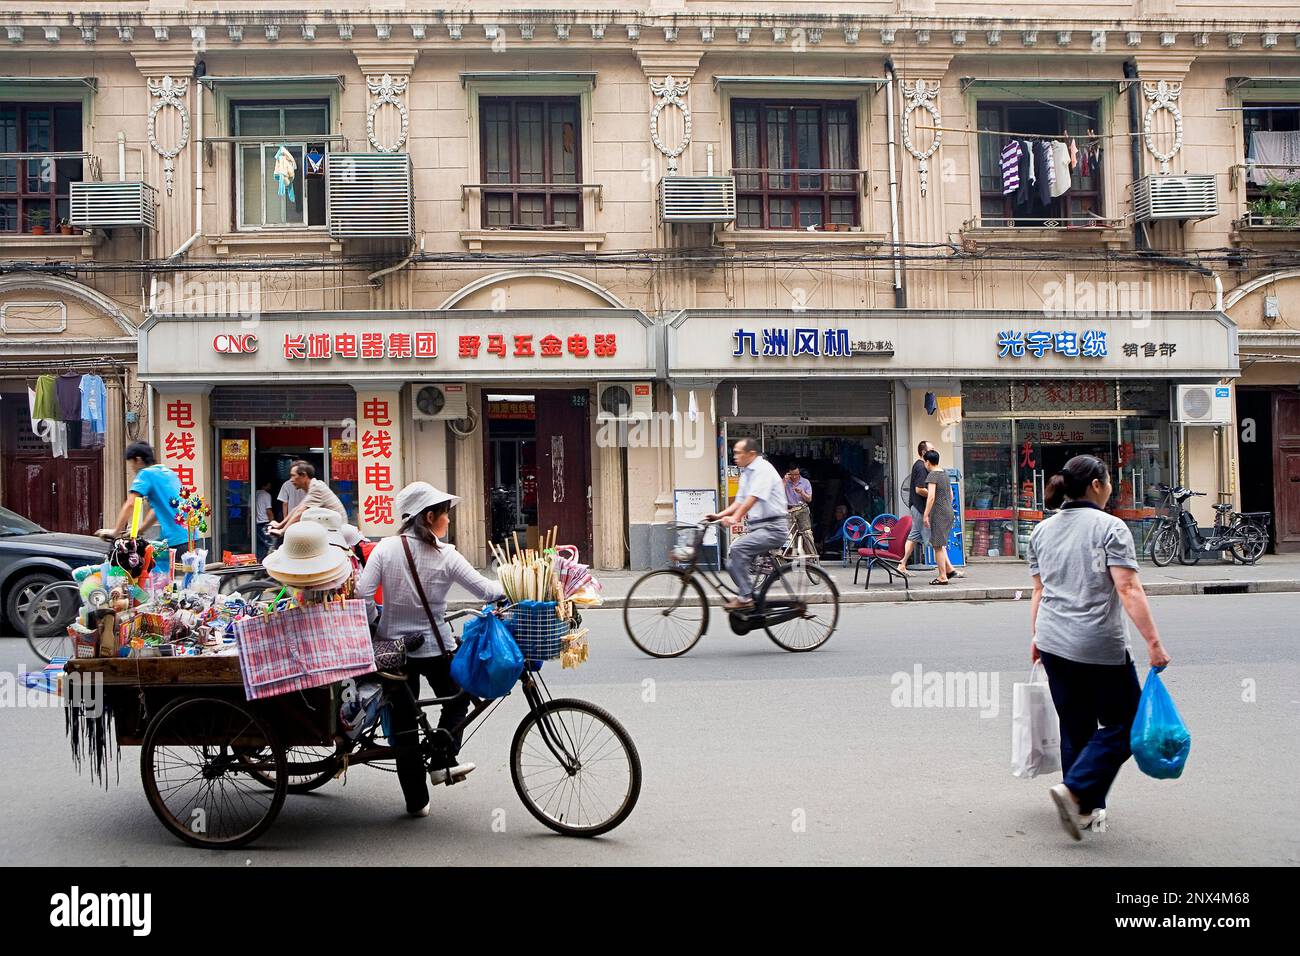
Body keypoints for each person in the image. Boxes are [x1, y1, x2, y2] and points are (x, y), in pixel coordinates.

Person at [1028, 454, 1171, 841]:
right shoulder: (1111, 527)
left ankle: (1083, 809)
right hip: (1097, 645)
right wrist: (1154, 643)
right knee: (1128, 725)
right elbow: (1127, 587)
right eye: (1109, 482)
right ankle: (1076, 792)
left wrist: (1035, 638)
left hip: (1053, 641)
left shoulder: (1042, 531)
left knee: (1076, 726)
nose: (1110, 489)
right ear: (1096, 485)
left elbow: (1039, 590)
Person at [355, 481, 505, 817]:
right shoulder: (445, 555)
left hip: (395, 651)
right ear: (430, 516)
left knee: (405, 725)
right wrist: (519, 583)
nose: (449, 521)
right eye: (445, 515)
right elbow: (486, 590)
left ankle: (416, 802)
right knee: (459, 698)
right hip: (437, 648)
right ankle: (441, 759)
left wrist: (376, 624)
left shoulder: (384, 549)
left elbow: (363, 593)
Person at [707, 438, 789, 610]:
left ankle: (745, 598)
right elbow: (739, 502)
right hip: (759, 529)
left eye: (738, 453)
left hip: (773, 528)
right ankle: (751, 598)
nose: (735, 456)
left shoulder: (763, 469)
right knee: (732, 564)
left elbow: (752, 499)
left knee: (738, 549)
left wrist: (735, 518)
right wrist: (717, 516)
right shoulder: (746, 473)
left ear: (751, 454)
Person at [97, 442, 191, 554]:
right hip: (191, 537)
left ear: (138, 460)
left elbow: (130, 504)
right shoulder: (168, 473)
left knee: (147, 564)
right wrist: (139, 530)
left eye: (131, 463)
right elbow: (157, 510)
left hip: (177, 541)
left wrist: (116, 532)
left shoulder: (146, 474)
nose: (132, 468)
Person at [269, 461, 345, 536]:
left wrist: (282, 531)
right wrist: (280, 525)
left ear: (304, 476)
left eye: (293, 475)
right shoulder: (314, 486)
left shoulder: (316, 487)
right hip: (332, 529)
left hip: (338, 531)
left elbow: (300, 512)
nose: (291, 480)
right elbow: (297, 509)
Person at [921, 449, 959, 585]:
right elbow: (951, 496)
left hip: (939, 513)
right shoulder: (944, 474)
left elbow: (931, 497)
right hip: (948, 511)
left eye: (924, 461)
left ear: (927, 462)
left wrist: (926, 514)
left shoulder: (933, 475)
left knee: (937, 546)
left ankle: (942, 576)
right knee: (941, 543)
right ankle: (949, 570)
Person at [898, 441, 932, 576]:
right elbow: (919, 489)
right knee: (935, 540)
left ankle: (902, 564)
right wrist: (934, 494)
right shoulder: (920, 467)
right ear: (924, 452)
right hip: (920, 507)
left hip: (916, 506)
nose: (934, 452)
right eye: (931, 449)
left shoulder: (920, 466)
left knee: (913, 536)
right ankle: (948, 570)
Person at [784, 466, 815, 554]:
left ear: (799, 473)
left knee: (807, 533)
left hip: (801, 509)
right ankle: (791, 557)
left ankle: (811, 557)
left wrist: (801, 492)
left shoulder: (805, 482)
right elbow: (777, 493)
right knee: (790, 535)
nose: (794, 477)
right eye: (792, 475)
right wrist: (784, 481)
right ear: (788, 474)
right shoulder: (785, 482)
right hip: (789, 510)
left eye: (796, 474)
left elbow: (809, 499)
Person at [254, 478, 275, 560]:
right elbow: (268, 510)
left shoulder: (253, 493)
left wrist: (249, 527)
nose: (270, 485)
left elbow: (249, 512)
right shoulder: (266, 495)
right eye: (269, 484)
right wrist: (272, 522)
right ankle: (269, 565)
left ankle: (259, 565)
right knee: (270, 545)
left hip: (255, 524)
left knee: (259, 546)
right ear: (266, 484)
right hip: (264, 523)